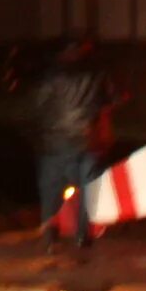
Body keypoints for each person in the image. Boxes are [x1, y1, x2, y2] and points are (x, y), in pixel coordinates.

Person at [23, 38, 119, 253]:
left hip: (55, 142)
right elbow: (113, 99)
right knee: (88, 189)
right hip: (89, 141)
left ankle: (50, 237)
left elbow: (36, 106)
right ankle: (82, 236)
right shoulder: (97, 73)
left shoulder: (51, 75)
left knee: (50, 189)